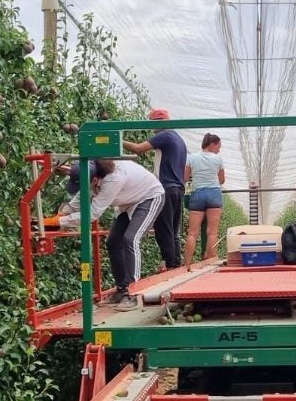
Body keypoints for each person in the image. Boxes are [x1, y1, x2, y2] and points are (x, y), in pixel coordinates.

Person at [44, 159, 164, 312]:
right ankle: (121, 291)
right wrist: (56, 217)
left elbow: (92, 214)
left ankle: (134, 293)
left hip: (149, 197)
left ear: (94, 180)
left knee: (130, 239)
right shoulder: (92, 176)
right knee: (113, 242)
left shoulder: (113, 179)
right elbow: (77, 202)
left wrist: (60, 222)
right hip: (127, 203)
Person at [123, 108, 186, 270]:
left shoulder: (165, 135)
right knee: (173, 230)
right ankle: (176, 264)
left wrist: (115, 140)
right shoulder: (179, 139)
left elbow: (138, 149)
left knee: (163, 228)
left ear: (161, 122)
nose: (151, 128)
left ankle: (170, 264)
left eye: (152, 123)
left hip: (165, 187)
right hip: (178, 189)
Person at [183, 133, 226, 265]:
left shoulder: (192, 157)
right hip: (214, 193)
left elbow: (185, 178)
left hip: (197, 194)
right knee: (212, 232)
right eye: (218, 146)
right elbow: (222, 180)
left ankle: (187, 265)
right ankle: (211, 263)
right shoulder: (218, 159)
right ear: (212, 145)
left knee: (192, 233)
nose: (219, 149)